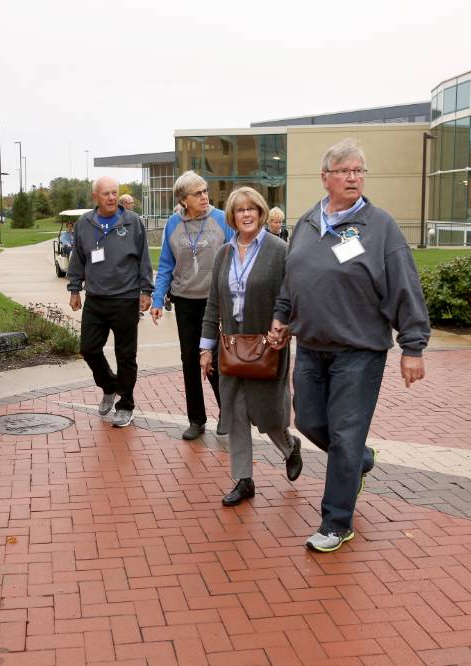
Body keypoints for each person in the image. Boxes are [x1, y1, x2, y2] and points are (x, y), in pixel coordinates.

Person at [271, 138, 430, 553]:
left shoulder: (380, 227)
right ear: (325, 178)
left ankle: (336, 522)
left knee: (344, 433)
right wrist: (281, 316)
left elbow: (405, 288)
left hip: (359, 352)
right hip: (311, 347)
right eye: (344, 170)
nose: (353, 177)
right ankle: (356, 460)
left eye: (359, 170)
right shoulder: (306, 223)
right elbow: (292, 278)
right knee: (307, 420)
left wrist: (413, 347)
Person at [200, 187, 301, 506]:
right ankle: (243, 480)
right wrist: (206, 348)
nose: (245, 214)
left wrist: (285, 328)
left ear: (260, 213)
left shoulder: (279, 250)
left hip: (268, 347)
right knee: (236, 414)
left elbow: (294, 297)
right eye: (239, 209)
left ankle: (288, 446)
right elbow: (214, 303)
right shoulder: (224, 254)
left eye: (251, 209)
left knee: (269, 414)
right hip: (231, 348)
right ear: (232, 215)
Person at [150, 171, 234, 440]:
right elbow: (165, 264)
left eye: (205, 191)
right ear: (184, 199)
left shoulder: (221, 219)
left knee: (218, 362)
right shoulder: (173, 224)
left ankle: (227, 413)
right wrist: (157, 299)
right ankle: (196, 419)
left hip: (216, 303)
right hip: (185, 302)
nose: (204, 197)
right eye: (198, 193)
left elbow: (236, 256)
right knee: (190, 362)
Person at [67, 176, 153, 427]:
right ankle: (109, 385)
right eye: (106, 193)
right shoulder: (85, 223)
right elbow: (78, 260)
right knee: (88, 349)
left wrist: (146, 290)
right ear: (95, 197)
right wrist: (74, 289)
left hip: (126, 299)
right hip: (95, 299)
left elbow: (144, 258)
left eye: (115, 193)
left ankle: (125, 404)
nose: (112, 198)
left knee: (126, 355)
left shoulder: (132, 221)